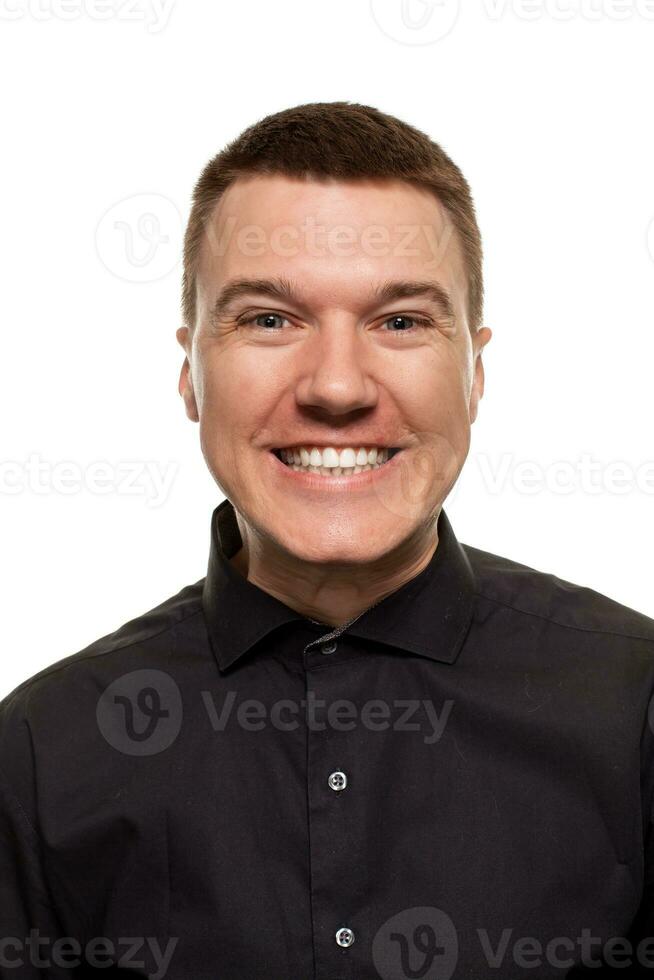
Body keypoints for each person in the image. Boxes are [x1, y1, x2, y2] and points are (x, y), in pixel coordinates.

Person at [2, 101, 654, 980]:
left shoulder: (635, 709)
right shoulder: (40, 753)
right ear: (191, 371)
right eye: (270, 319)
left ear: (477, 370)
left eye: (402, 321)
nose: (338, 387)